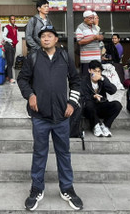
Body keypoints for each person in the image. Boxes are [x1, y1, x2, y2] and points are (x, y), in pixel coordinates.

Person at [17, 27, 83, 211]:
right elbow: (22, 79)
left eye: (49, 36)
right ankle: (37, 188)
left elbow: (76, 81)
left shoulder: (65, 57)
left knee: (64, 153)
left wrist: (72, 103)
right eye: (43, 37)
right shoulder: (33, 57)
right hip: (40, 116)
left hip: (62, 117)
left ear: (56, 40)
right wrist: (30, 95)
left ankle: (67, 188)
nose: (45, 39)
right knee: (39, 153)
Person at [81, 60, 122, 137]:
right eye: (94, 71)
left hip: (101, 105)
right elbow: (82, 97)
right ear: (89, 70)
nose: (96, 74)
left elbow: (113, 90)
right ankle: (96, 126)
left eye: (99, 71)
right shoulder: (84, 81)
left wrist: (103, 79)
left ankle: (105, 126)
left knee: (117, 105)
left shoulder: (102, 79)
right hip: (89, 109)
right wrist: (93, 96)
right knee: (89, 105)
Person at [75, 10, 103, 75]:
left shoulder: (94, 27)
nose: (92, 20)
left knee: (96, 77)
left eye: (93, 18)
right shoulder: (80, 27)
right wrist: (93, 38)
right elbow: (80, 41)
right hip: (87, 59)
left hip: (96, 58)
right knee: (86, 78)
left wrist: (100, 38)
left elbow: (97, 39)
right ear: (85, 19)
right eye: (90, 18)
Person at [2, 15, 18, 83]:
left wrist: (16, 41)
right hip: (8, 46)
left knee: (11, 62)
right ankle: (10, 78)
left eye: (14, 19)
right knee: (9, 62)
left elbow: (16, 35)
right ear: (9, 20)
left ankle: (7, 76)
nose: (13, 20)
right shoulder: (7, 27)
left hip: (13, 46)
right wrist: (11, 40)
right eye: (12, 19)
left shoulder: (16, 27)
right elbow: (3, 36)